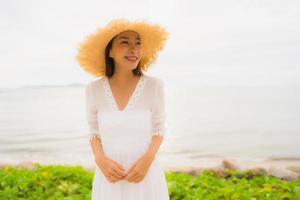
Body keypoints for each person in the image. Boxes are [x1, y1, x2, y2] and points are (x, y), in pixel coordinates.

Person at [76, 18, 170, 200]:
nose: (133, 49)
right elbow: (94, 132)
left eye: (138, 43)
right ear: (109, 50)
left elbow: (159, 129)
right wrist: (100, 159)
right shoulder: (93, 89)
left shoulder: (154, 86)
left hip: (145, 175)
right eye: (125, 42)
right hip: (109, 178)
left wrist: (147, 160)